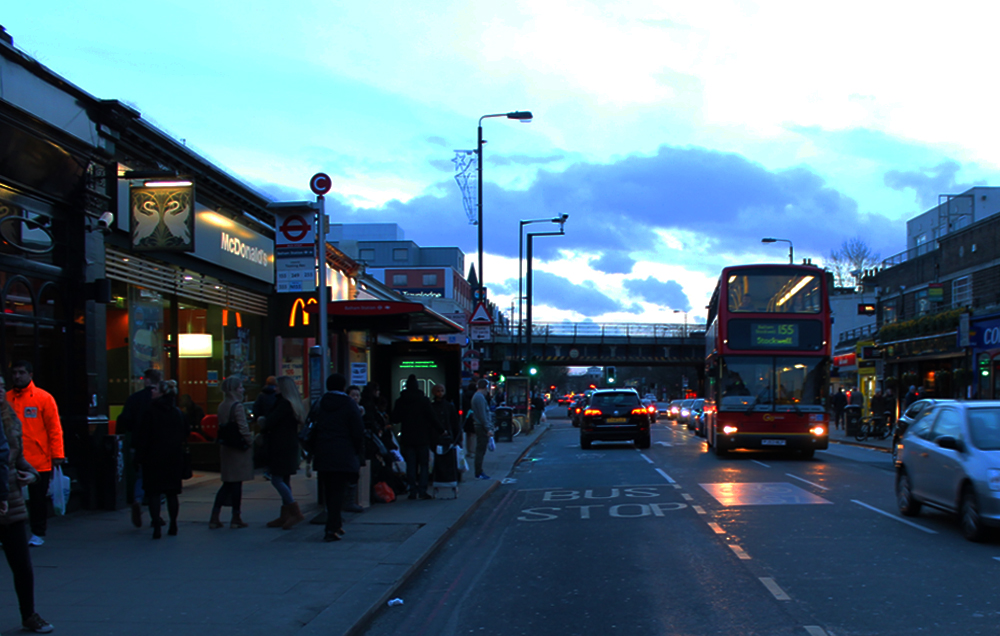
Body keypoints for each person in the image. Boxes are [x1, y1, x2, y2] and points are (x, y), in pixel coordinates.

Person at [0, 375, 54, 633]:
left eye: (1, 386)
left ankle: (29, 614)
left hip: (11, 502)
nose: (0, 392)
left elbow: (19, 458)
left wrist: (31, 474)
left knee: (22, 564)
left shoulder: (10, 420)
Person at [8, 361, 64, 548]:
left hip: (38, 459)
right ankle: (14, 532)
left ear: (30, 374)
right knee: (10, 497)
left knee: (37, 499)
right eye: (15, 372)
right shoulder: (7, 398)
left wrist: (57, 455)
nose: (17, 376)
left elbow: (54, 428)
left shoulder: (43, 398)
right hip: (13, 458)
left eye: (21, 372)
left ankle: (38, 532)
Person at [311, 373, 364, 542]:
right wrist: (357, 451)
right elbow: (357, 431)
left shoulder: (320, 403)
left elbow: (311, 426)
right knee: (339, 492)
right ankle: (332, 528)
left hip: (323, 452)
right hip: (343, 453)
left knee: (329, 491)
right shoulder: (349, 405)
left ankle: (335, 524)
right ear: (343, 387)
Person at [134, 380, 186, 539]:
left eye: (155, 389)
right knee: (172, 494)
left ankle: (156, 524)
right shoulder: (176, 412)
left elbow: (143, 437)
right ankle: (173, 524)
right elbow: (185, 433)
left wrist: (139, 457)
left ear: (162, 392)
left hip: (153, 458)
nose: (151, 391)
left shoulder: (150, 412)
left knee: (154, 493)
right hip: (173, 457)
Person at [116, 368, 162, 529]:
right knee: (157, 479)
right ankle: (156, 513)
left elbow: (124, 420)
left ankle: (137, 499)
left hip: (138, 442)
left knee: (140, 475)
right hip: (157, 444)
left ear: (146, 380)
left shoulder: (134, 399)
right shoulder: (161, 400)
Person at [209, 376, 253, 530]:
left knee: (227, 483)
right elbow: (243, 427)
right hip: (237, 449)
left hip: (227, 447)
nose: (242, 390)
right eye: (240, 387)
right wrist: (250, 441)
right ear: (234, 389)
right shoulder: (237, 406)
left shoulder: (222, 405)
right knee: (236, 484)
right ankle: (236, 516)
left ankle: (215, 516)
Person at [262, 376, 306, 530]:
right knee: (284, 479)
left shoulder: (283, 404)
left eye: (277, 386)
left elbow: (270, 422)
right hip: (288, 445)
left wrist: (264, 421)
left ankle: (294, 511)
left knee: (277, 479)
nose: (275, 389)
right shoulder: (293, 404)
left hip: (280, 446)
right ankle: (286, 514)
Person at [391, 375, 440, 500]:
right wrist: (442, 430)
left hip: (407, 436)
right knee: (423, 464)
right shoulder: (423, 400)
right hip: (423, 436)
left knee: (410, 465)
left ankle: (412, 490)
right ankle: (422, 490)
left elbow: (395, 418)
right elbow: (432, 418)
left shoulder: (401, 400)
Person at [470, 379, 495, 480]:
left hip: (480, 426)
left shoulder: (478, 397)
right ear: (486, 387)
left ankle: (479, 471)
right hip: (481, 427)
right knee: (480, 450)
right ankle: (478, 472)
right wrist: (488, 428)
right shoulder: (479, 397)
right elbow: (482, 415)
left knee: (481, 450)